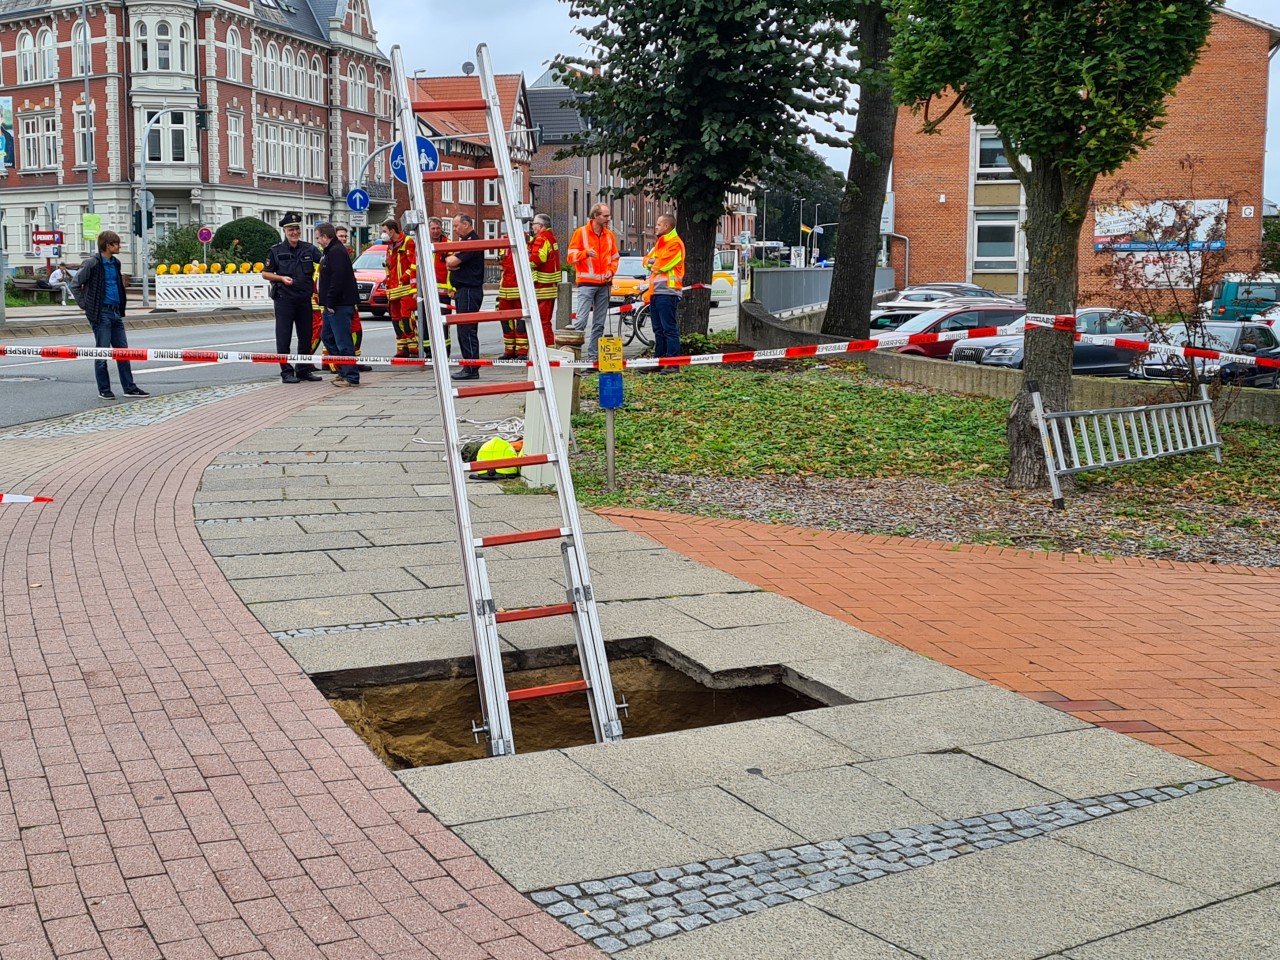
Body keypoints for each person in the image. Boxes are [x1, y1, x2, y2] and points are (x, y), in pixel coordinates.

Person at [72, 232, 150, 401]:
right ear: (107, 245)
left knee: (123, 352)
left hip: (115, 312)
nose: (119, 247)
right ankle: (104, 389)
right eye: (116, 244)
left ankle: (129, 387)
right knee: (102, 352)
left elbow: (116, 285)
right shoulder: (92, 263)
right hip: (101, 313)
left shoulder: (116, 263)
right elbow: (75, 284)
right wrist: (85, 305)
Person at [262, 212, 322, 383]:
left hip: (304, 299)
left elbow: (324, 262)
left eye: (296, 229)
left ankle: (303, 369)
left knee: (306, 336)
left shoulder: (309, 248)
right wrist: (280, 278)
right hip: (284, 300)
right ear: (285, 231)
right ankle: (286, 372)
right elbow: (265, 273)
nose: (294, 232)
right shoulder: (276, 251)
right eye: (291, 230)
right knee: (284, 337)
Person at [567, 203, 619, 366]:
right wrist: (585, 253)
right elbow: (570, 257)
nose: (608, 219)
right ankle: (574, 357)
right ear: (595, 216)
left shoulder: (609, 235)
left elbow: (615, 258)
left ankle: (592, 358)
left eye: (608, 216)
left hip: (604, 284)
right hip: (586, 284)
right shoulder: (580, 233)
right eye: (605, 216)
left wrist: (611, 270)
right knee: (581, 321)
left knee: (599, 323)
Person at [314, 222, 360, 388]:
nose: (318, 241)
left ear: (326, 237)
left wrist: (331, 300)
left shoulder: (336, 252)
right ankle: (343, 371)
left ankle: (351, 376)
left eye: (318, 238)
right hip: (332, 304)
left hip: (339, 304)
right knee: (327, 337)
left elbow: (337, 278)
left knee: (342, 341)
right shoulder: (331, 251)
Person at [446, 214, 485, 380]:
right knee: (464, 329)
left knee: (467, 329)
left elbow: (451, 262)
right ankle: (468, 366)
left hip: (469, 290)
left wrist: (452, 263)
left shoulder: (471, 242)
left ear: (466, 224)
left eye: (456, 226)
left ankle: (471, 368)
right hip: (464, 290)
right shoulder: (465, 242)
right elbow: (450, 262)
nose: (454, 229)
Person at [645, 213, 685, 371]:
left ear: (667, 227)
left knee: (669, 328)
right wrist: (652, 262)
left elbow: (661, 265)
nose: (656, 227)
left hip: (668, 292)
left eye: (658, 224)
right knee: (658, 329)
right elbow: (646, 261)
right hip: (656, 291)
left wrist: (653, 262)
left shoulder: (675, 244)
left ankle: (672, 363)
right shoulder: (661, 243)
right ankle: (659, 361)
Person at [383, 219, 421, 359]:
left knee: (406, 319)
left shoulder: (407, 242)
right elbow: (389, 265)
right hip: (393, 289)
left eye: (385, 231)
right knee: (395, 320)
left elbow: (413, 264)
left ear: (392, 231)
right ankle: (402, 348)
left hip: (405, 288)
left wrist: (405, 278)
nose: (384, 234)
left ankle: (413, 347)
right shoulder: (389, 246)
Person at [528, 214, 561, 349]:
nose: (532, 226)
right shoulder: (551, 238)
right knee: (545, 320)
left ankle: (546, 349)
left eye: (534, 224)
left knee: (542, 321)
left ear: (541, 226)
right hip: (549, 286)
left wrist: (524, 259)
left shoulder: (541, 239)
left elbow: (538, 258)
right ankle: (547, 348)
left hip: (542, 286)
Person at [425, 216, 453, 360]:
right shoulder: (423, 244)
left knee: (443, 324)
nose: (436, 231)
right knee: (426, 322)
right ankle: (429, 352)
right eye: (433, 228)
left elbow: (453, 269)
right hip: (426, 292)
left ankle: (444, 352)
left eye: (438, 228)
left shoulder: (448, 244)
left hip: (443, 292)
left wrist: (452, 288)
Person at [495, 229, 525, 359]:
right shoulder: (504, 242)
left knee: (521, 321)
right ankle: (509, 350)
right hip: (505, 289)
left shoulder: (526, 241)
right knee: (506, 321)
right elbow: (502, 266)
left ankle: (522, 351)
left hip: (519, 289)